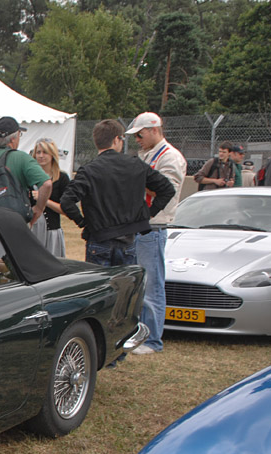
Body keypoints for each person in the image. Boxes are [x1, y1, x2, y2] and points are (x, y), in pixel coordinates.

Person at [60, 119, 174, 269]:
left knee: (100, 289)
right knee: (126, 288)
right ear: (116, 140)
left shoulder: (89, 170)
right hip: (128, 239)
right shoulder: (135, 164)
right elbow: (167, 189)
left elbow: (66, 201)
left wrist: (83, 222)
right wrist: (148, 213)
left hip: (99, 238)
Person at [125, 111, 186, 355]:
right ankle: (139, 333)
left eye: (140, 135)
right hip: (140, 223)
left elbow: (166, 190)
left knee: (152, 283)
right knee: (140, 281)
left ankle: (152, 339)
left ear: (154, 130)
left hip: (154, 224)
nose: (138, 140)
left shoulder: (169, 156)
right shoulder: (149, 154)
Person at [29, 139, 69, 257]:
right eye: (39, 152)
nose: (41, 156)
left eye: (45, 152)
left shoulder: (62, 178)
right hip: (33, 230)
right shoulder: (29, 176)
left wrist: (44, 200)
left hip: (52, 232)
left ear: (52, 155)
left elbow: (65, 209)